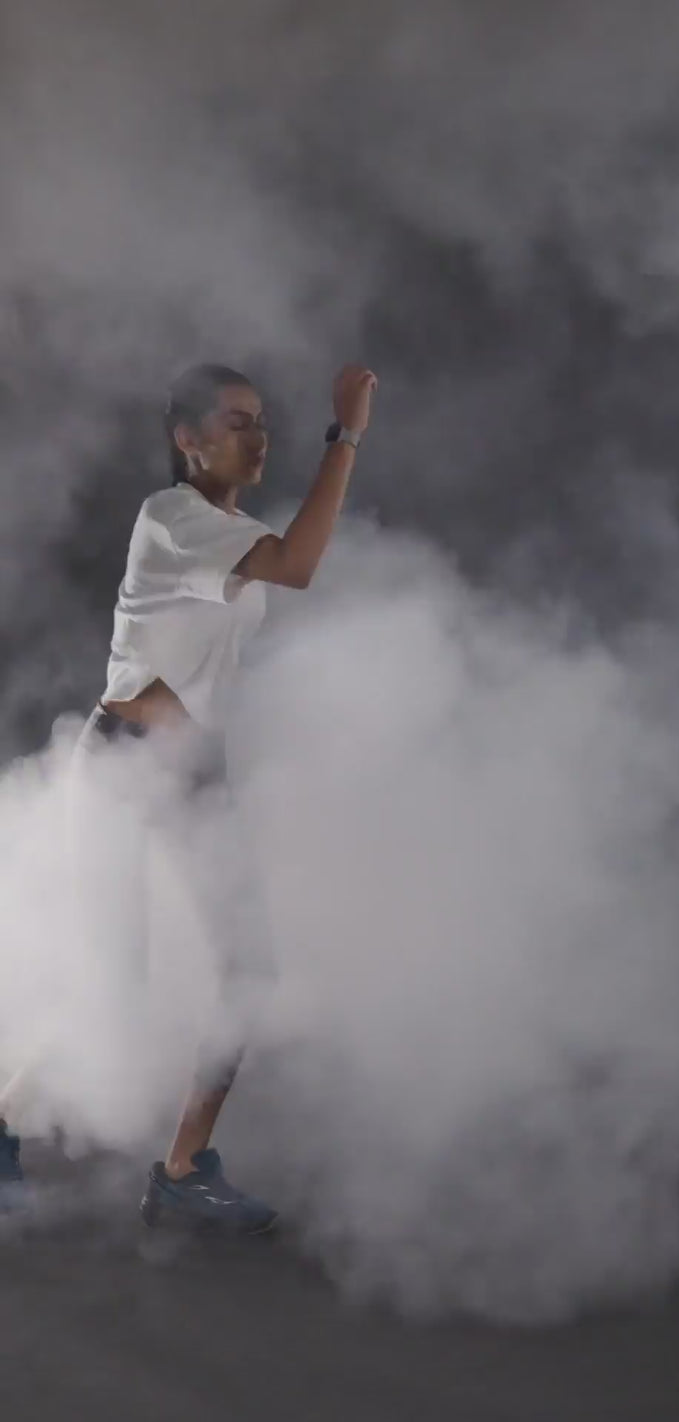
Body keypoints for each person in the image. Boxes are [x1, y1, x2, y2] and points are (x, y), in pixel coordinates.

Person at [0, 359, 378, 1231]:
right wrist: (348, 435)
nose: (259, 437)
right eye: (238, 422)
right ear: (188, 439)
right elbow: (300, 564)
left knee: (250, 974)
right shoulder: (169, 519)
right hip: (124, 766)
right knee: (111, 986)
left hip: (193, 768)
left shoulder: (230, 530)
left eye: (261, 421)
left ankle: (182, 1172)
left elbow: (266, 585)